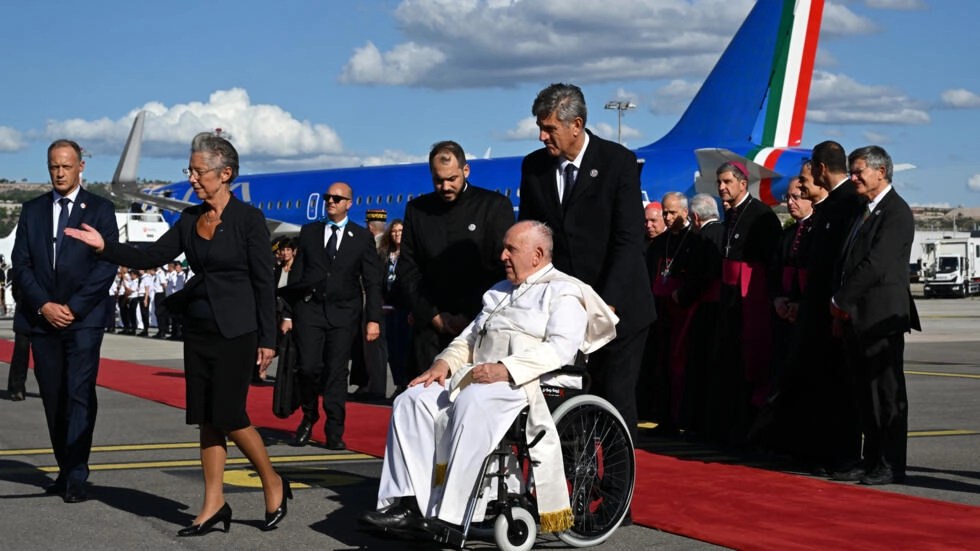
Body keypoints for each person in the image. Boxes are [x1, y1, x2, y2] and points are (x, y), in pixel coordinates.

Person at [66, 132, 291, 533]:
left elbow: (263, 282)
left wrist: (268, 339)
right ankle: (213, 503)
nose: (192, 178)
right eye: (190, 170)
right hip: (200, 327)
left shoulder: (248, 220)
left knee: (231, 414)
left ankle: (271, 480)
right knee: (206, 419)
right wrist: (105, 247)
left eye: (199, 171)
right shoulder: (189, 219)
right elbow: (151, 257)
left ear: (226, 174)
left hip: (237, 330)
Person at [359, 221, 618, 536]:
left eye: (511, 249)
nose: (502, 256)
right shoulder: (498, 291)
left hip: (532, 382)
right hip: (481, 375)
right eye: (504, 248)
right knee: (411, 399)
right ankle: (410, 503)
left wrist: (506, 369)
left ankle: (452, 515)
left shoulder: (566, 291)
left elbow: (560, 350)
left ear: (537, 255)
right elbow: (468, 340)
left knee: (473, 401)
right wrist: (442, 364)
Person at [517, 83, 656, 439]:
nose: (541, 135)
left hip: (618, 306)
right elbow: (536, 239)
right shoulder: (535, 168)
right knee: (565, 401)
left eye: (549, 128)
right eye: (540, 126)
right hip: (565, 310)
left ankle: (616, 489)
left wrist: (604, 304)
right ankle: (572, 487)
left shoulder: (618, 162)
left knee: (614, 399)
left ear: (576, 125)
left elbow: (628, 241)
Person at [11, 139, 119, 502]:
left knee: (79, 393)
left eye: (66, 166)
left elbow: (107, 265)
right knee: (54, 395)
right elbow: (21, 264)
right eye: (54, 166)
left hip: (84, 320)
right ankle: (64, 465)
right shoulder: (32, 211)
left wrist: (73, 307)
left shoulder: (101, 210)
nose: (59, 172)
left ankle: (76, 472)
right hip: (44, 320)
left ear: (80, 167)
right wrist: (44, 305)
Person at [830, 145, 920, 485]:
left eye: (859, 171)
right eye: (852, 172)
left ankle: (890, 462)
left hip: (881, 315)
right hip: (856, 315)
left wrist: (840, 298)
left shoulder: (896, 212)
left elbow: (876, 264)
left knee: (886, 393)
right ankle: (870, 460)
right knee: (863, 392)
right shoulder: (861, 210)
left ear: (881, 172)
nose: (854, 178)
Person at [396, 141, 514, 376]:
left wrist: (469, 314)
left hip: (480, 324)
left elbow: (501, 268)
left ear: (465, 171)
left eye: (452, 179)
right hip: (431, 326)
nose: (446, 186)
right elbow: (408, 268)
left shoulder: (493, 207)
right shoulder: (417, 210)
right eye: (439, 180)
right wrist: (432, 315)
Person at [283, 182, 383, 450]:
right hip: (310, 311)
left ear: (349, 203)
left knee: (337, 373)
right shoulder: (310, 232)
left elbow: (373, 281)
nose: (331, 202)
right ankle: (308, 414)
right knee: (307, 368)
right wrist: (289, 313)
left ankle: (334, 430)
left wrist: (373, 319)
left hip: (343, 314)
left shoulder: (361, 238)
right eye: (328, 197)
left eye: (337, 199)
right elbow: (297, 275)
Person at [714, 160, 782, 443]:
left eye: (727, 182)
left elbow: (771, 262)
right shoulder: (729, 215)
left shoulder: (761, 215)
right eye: (719, 182)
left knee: (753, 364)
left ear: (743, 183)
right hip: (730, 300)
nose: (721, 188)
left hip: (752, 300)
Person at [642, 192, 705, 434]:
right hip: (661, 310)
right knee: (661, 363)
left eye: (672, 213)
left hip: (684, 311)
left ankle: (684, 417)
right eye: (665, 213)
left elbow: (699, 276)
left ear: (684, 213)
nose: (667, 218)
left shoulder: (695, 241)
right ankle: (664, 416)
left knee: (683, 364)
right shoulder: (660, 243)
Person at [349, 208, 390, 400]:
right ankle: (368, 385)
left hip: (373, 301)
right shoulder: (381, 245)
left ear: (370, 226)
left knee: (374, 348)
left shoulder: (378, 247)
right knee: (367, 347)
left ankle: (375, 388)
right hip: (372, 300)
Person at [379, 219, 411, 398]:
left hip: (405, 306)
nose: (397, 233)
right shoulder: (385, 254)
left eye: (400, 231)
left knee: (405, 346)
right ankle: (399, 384)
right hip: (388, 306)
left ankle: (407, 383)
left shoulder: (410, 254)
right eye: (394, 231)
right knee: (392, 349)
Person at [5, 266, 31, 402]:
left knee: (46, 356)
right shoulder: (20, 268)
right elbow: (16, 291)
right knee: (21, 352)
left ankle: (50, 388)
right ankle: (17, 388)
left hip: (44, 315)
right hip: (24, 314)